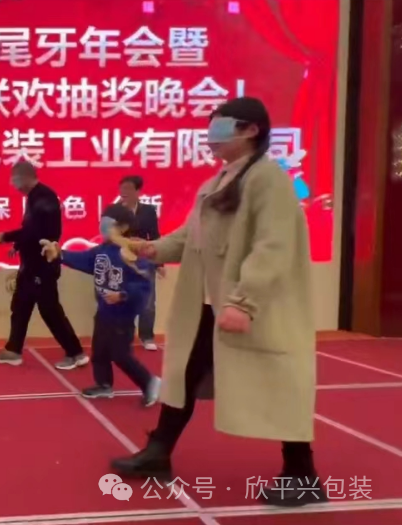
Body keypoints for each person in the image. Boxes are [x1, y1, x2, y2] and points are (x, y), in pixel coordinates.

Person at [109, 97, 323, 507]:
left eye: (221, 126)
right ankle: (159, 450)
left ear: (251, 130)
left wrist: (243, 302)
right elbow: (191, 236)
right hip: (211, 305)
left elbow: (273, 247)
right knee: (184, 375)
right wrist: (153, 248)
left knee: (280, 382)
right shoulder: (216, 183)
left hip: (254, 308)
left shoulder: (269, 179)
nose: (211, 136)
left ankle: (302, 473)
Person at [42, 204, 161, 406]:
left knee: (121, 355)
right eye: (102, 222)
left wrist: (123, 294)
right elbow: (83, 259)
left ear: (123, 227)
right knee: (99, 351)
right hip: (104, 312)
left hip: (122, 316)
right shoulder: (102, 250)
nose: (102, 227)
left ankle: (150, 383)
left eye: (108, 223)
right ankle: (104, 385)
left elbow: (143, 286)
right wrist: (60, 254)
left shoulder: (133, 253)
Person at [0, 160, 88, 370]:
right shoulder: (33, 197)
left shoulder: (44, 198)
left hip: (42, 265)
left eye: (14, 179)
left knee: (50, 310)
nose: (12, 184)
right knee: (20, 306)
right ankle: (13, 350)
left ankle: (76, 352)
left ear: (25, 177)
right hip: (30, 265)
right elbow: (30, 228)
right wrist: (18, 245)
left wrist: (1, 237)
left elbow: (37, 232)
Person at [118, 175, 162, 351]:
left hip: (144, 260)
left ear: (138, 191)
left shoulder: (149, 211)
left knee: (148, 301)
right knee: (122, 299)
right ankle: (123, 336)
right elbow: (108, 235)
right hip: (122, 260)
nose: (124, 192)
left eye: (128, 189)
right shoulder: (115, 211)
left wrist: (159, 263)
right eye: (122, 189)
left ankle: (147, 336)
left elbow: (155, 236)